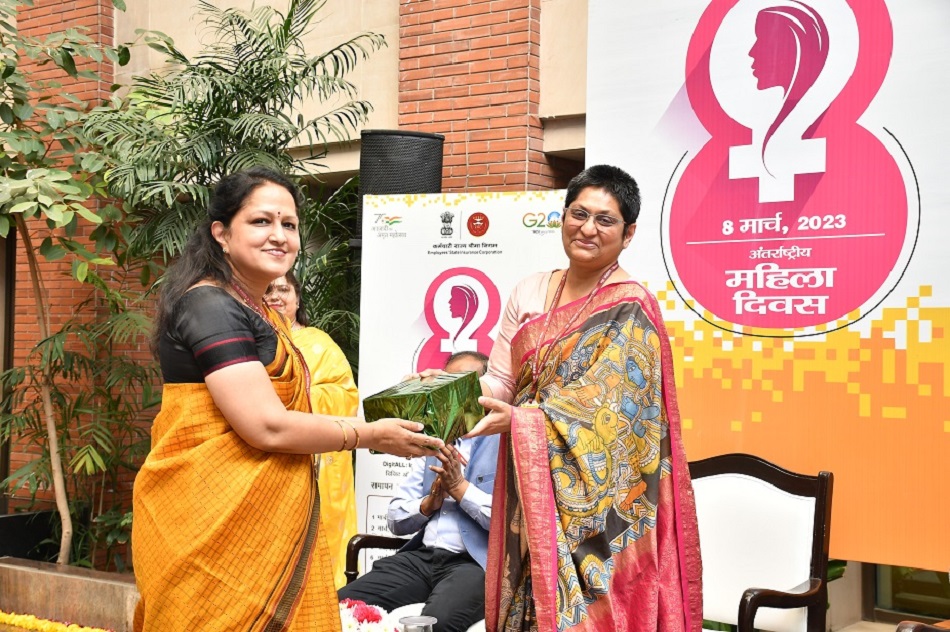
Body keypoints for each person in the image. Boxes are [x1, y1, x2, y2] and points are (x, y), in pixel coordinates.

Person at [132, 166, 443, 632]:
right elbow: (266, 425)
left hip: (261, 524)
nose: (279, 235)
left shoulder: (257, 310)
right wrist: (370, 436)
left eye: (290, 224)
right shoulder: (210, 305)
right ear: (221, 233)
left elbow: (306, 403)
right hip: (210, 521)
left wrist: (412, 394)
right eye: (261, 221)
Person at [468, 165, 703, 631]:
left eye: (605, 220)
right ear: (563, 216)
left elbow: (617, 413)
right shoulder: (529, 290)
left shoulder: (631, 305)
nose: (588, 229)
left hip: (605, 498)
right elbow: (501, 381)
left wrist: (522, 421)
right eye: (579, 214)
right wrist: (448, 392)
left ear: (628, 233)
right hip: (533, 479)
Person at [339, 351, 498, 632]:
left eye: (463, 383)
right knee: (337, 607)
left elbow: (511, 524)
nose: (453, 393)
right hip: (421, 559)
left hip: (475, 564)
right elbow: (395, 520)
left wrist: (460, 489)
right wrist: (430, 503)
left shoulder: (506, 443)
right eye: (447, 384)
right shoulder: (433, 441)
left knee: (436, 624)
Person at [263, 270, 359, 590]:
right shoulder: (248, 341)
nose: (275, 296)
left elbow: (346, 397)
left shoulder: (319, 343)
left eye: (283, 289)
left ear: (297, 298)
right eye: (268, 290)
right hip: (266, 454)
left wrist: (293, 397)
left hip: (316, 459)